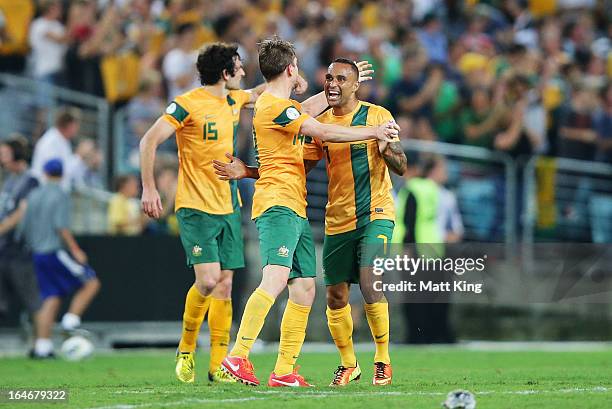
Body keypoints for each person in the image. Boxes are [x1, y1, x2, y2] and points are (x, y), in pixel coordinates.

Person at [218, 37, 399, 387]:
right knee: (274, 278)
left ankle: (284, 370)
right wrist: (375, 131)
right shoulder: (273, 106)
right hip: (278, 204)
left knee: (303, 288)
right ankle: (238, 355)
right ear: (291, 68)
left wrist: (340, 87)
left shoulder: (279, 105)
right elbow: (322, 128)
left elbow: (311, 111)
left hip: (294, 205)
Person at [140, 42, 267, 384]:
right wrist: (149, 188)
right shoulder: (187, 104)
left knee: (225, 287)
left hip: (228, 207)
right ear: (226, 73)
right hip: (195, 207)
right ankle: (186, 348)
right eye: (238, 67)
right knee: (208, 281)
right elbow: (149, 141)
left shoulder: (233, 99)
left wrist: (291, 77)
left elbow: (259, 92)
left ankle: (218, 366)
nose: (243, 72)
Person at [18, 158, 100, 358]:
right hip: (55, 250)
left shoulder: (34, 194)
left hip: (38, 253)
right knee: (91, 282)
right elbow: (60, 227)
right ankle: (70, 321)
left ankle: (42, 347)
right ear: (62, 174)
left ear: (45, 173)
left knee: (51, 297)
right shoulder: (61, 195)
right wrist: (75, 250)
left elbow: (23, 227)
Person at [0, 137, 42, 353]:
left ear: (16, 153)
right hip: (3, 250)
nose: (1, 157)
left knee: (32, 300)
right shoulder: (8, 180)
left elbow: (21, 212)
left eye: (5, 152)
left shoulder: (30, 180)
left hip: (19, 250)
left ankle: (40, 345)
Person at [31, 109, 80, 189]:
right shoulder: (50, 142)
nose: (77, 129)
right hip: (46, 191)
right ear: (69, 125)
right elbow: (54, 171)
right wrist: (79, 156)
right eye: (75, 126)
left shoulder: (63, 140)